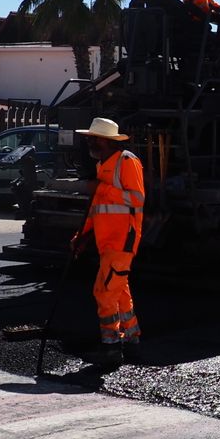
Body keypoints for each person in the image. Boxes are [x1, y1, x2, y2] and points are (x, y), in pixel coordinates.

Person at [71, 117, 144, 366]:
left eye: (93, 138)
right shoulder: (103, 165)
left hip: (122, 240)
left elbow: (136, 199)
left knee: (103, 292)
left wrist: (101, 189)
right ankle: (131, 340)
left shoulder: (127, 161)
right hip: (108, 242)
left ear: (106, 141)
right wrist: (82, 236)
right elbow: (97, 208)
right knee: (119, 291)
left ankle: (111, 347)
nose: (89, 142)